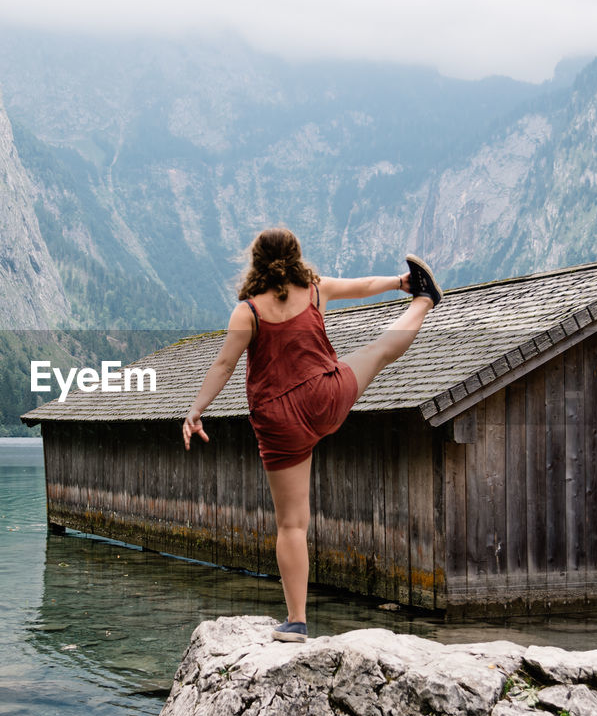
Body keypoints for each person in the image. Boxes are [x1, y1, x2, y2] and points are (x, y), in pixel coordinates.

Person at [181, 227, 441, 643]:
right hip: (326, 397)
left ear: (256, 262)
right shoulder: (315, 291)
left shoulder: (247, 311)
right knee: (379, 350)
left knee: (291, 525)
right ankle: (426, 301)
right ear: (296, 256)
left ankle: (297, 621)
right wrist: (404, 284)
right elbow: (362, 287)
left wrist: (196, 411)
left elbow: (223, 366)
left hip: (280, 422)